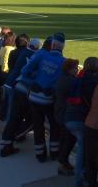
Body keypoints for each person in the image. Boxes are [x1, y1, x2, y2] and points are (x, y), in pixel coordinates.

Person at [21, 33, 66, 162]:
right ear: (62, 47)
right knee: (54, 125)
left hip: (34, 97)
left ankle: (40, 154)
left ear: (52, 45)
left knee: (38, 125)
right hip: (49, 99)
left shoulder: (41, 55)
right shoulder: (63, 62)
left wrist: (34, 82)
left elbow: (25, 71)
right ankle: (54, 152)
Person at [0, 37, 42, 157]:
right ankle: (13, 137)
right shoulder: (32, 56)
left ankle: (7, 138)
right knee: (17, 115)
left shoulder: (23, 52)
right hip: (18, 86)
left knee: (12, 113)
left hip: (11, 82)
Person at [65, 57, 98, 187]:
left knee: (83, 146)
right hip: (80, 119)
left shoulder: (79, 77)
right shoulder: (94, 82)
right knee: (84, 150)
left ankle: (82, 175)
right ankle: (79, 179)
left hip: (69, 117)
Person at [55, 58, 79, 176]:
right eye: (75, 68)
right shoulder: (70, 81)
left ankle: (63, 161)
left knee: (66, 138)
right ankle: (62, 163)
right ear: (70, 69)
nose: (77, 70)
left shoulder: (63, 77)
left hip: (59, 111)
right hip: (65, 113)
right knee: (68, 139)